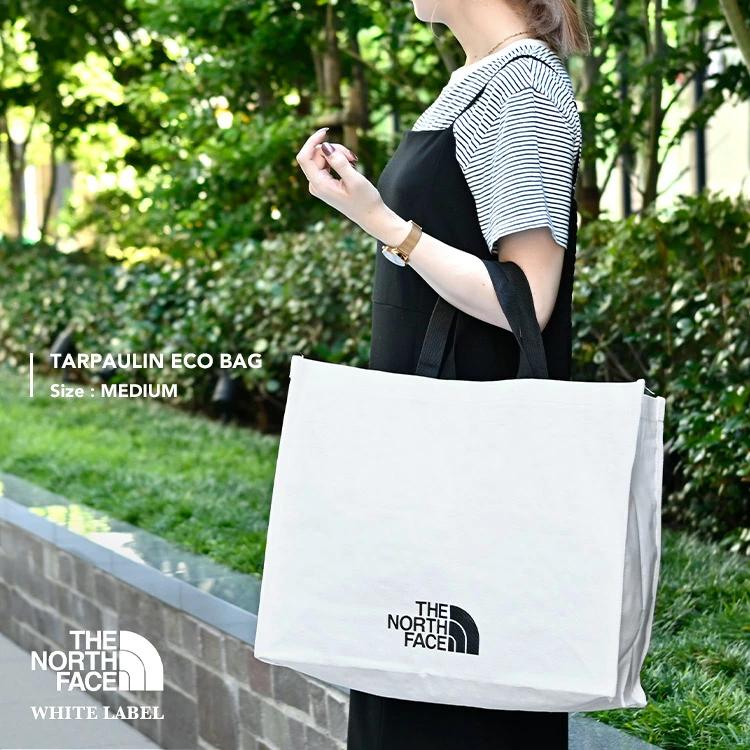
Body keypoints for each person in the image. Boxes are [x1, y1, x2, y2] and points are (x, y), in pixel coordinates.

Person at [295, 0, 589, 747]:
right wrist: (366, 207)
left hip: (472, 488)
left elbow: (526, 300)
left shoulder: (524, 85)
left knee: (455, 710)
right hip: (427, 474)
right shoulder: (475, 77)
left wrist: (385, 223)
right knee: (409, 692)